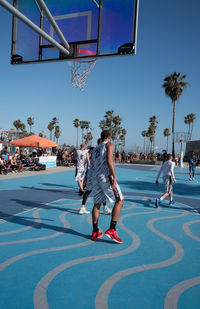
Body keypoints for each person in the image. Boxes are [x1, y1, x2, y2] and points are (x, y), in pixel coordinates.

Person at [91, 130, 124, 243]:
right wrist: (114, 176)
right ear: (109, 137)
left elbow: (92, 165)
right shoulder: (109, 145)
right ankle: (112, 229)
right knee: (120, 201)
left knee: (97, 204)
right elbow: (109, 161)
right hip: (105, 177)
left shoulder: (95, 149)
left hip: (95, 177)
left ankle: (95, 231)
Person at [79, 141, 112, 215]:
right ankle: (105, 208)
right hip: (98, 173)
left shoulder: (93, 151)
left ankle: (82, 207)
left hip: (91, 173)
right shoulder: (102, 151)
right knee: (102, 191)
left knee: (88, 191)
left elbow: (90, 161)